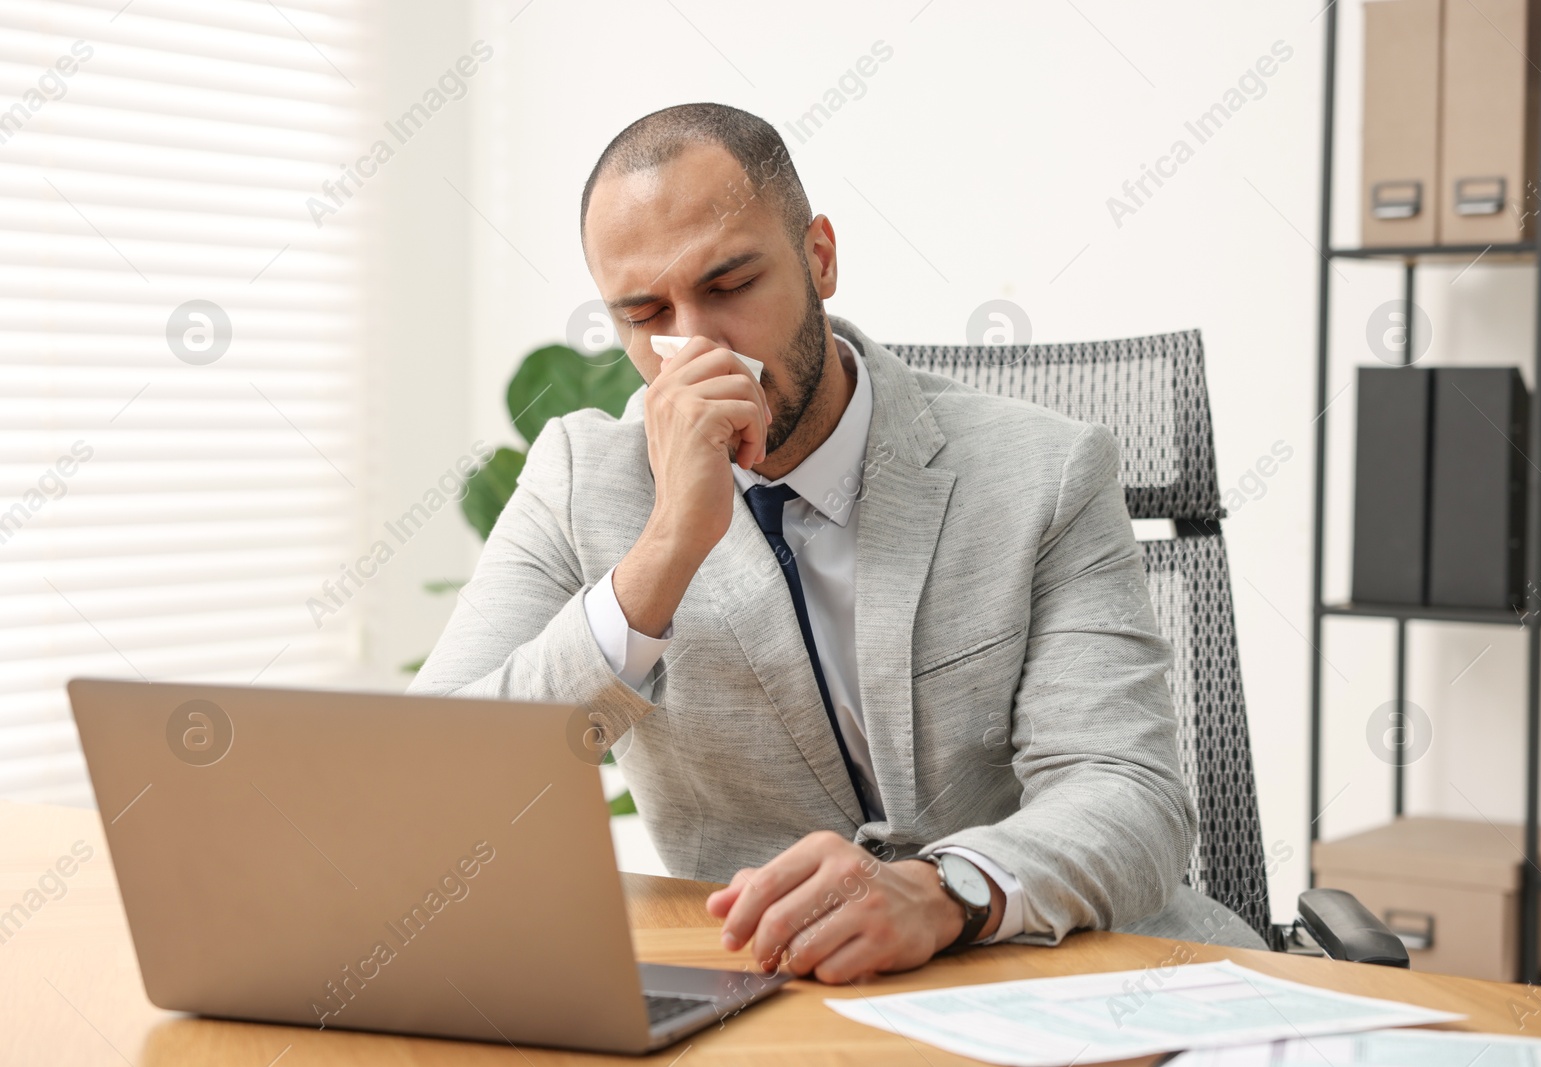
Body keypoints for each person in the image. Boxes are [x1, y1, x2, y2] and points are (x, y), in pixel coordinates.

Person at [410, 102, 1264, 984]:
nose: (695, 345)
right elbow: (438, 783)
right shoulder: (583, 482)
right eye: (647, 312)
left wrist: (942, 892)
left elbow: (1129, 793)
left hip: (1065, 979)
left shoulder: (1045, 470)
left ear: (819, 257)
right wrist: (662, 553)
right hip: (775, 1001)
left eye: (731, 284)